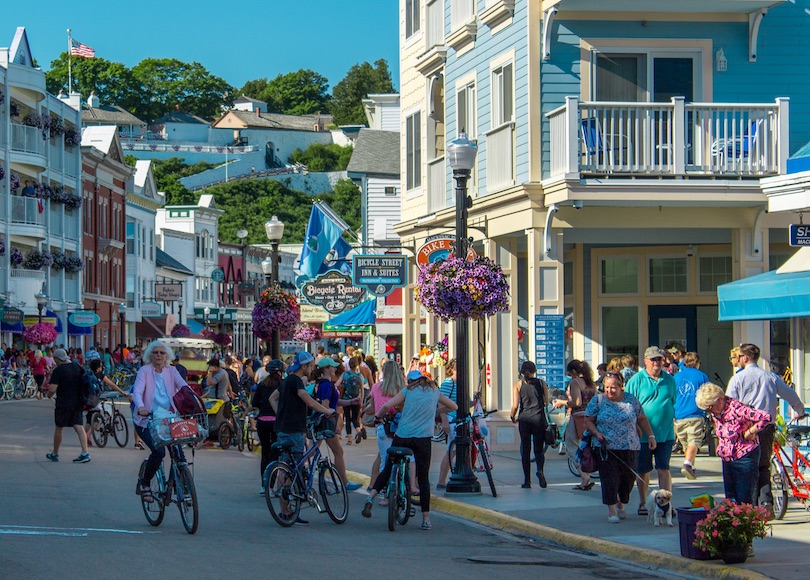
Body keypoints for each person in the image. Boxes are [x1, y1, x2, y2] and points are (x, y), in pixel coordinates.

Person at [362, 370, 458, 530]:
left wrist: (378, 416)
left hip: (403, 436)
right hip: (423, 439)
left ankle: (371, 497)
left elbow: (387, 405)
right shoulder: (434, 391)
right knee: (423, 478)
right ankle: (426, 518)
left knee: (388, 468)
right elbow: (453, 406)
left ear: (412, 381)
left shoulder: (408, 391)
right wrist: (434, 412)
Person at [726, 343, 806, 518]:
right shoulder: (770, 376)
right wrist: (800, 411)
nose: (737, 360)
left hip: (745, 429)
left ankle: (751, 507)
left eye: (739, 356)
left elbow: (730, 405)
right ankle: (766, 502)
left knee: (747, 467)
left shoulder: (737, 379)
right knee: (763, 465)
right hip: (766, 427)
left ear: (745, 358)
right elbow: (790, 394)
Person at [269, 351, 335, 526]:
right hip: (293, 430)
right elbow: (308, 400)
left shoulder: (286, 381)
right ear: (304, 366)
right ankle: (288, 509)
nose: (312, 368)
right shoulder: (296, 381)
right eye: (311, 365)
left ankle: (286, 510)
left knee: (287, 466)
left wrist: (281, 416)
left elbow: (272, 398)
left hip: (284, 428)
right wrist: (326, 411)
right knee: (293, 468)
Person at [584, 372, 656, 523]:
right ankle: (611, 511)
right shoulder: (597, 400)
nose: (609, 391)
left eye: (613, 388)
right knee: (609, 479)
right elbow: (588, 420)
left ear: (621, 387)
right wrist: (596, 433)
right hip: (606, 447)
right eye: (607, 387)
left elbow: (641, 418)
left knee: (628, 479)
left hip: (630, 446)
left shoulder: (631, 400)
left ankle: (621, 503)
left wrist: (650, 436)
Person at [131, 341, 189, 502]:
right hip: (147, 419)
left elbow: (184, 387)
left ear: (167, 356)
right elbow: (137, 391)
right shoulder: (144, 371)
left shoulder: (172, 371)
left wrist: (194, 401)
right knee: (159, 452)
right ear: (150, 355)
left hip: (169, 419)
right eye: (155, 352)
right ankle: (145, 483)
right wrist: (141, 406)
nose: (158, 355)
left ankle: (180, 487)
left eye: (162, 353)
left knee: (178, 454)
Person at [696, 383, 771, 505]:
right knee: (731, 499)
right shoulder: (716, 413)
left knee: (744, 498)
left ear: (719, 400)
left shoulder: (737, 409)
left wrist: (751, 431)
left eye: (710, 407)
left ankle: (747, 522)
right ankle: (734, 522)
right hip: (727, 457)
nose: (709, 411)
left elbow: (766, 417)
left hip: (744, 455)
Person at [625, 346, 677, 516]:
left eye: (659, 359)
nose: (656, 362)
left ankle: (665, 504)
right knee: (643, 470)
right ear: (645, 360)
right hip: (642, 435)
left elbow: (673, 402)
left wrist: (675, 427)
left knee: (664, 468)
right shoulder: (636, 380)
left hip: (666, 433)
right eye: (653, 359)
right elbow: (629, 407)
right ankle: (643, 502)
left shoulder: (669, 380)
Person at [311, 357, 363, 490]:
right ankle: (344, 483)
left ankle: (296, 473)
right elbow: (326, 405)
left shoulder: (323, 384)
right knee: (338, 451)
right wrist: (332, 415)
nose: (335, 369)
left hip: (321, 422)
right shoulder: (327, 385)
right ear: (326, 369)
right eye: (333, 367)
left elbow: (335, 402)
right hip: (325, 424)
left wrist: (351, 402)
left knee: (312, 452)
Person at [553, 359, 597, 490]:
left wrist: (562, 402)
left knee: (572, 447)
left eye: (569, 373)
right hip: (590, 418)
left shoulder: (575, 382)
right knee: (586, 447)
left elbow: (576, 402)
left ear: (573, 371)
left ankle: (584, 475)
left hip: (577, 418)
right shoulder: (591, 384)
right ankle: (587, 475)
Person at [366, 359, 406, 493]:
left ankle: (378, 487)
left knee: (384, 459)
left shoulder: (376, 387)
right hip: (399, 426)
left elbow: (372, 408)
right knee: (403, 458)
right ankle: (399, 488)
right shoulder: (402, 389)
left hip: (383, 425)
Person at [45, 348, 91, 463]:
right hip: (78, 401)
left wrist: (49, 394)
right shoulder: (78, 367)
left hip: (63, 402)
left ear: (56, 359)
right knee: (79, 426)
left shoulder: (59, 370)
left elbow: (52, 389)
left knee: (59, 427)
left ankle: (55, 453)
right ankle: (85, 452)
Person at [510, 361, 549, 489]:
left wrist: (512, 416)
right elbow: (546, 402)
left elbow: (515, 405)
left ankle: (527, 481)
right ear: (534, 371)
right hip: (538, 419)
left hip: (525, 419)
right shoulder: (542, 383)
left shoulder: (518, 385)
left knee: (525, 450)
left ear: (521, 372)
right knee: (538, 449)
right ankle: (540, 470)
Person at [674, 352, 710, 480]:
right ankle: (688, 464)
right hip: (695, 413)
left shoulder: (676, 377)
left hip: (679, 415)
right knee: (694, 441)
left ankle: (690, 467)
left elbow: (672, 396)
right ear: (697, 363)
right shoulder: (702, 376)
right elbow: (708, 394)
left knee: (686, 444)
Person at [253, 359, 283, 495]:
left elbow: (255, 402)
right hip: (276, 422)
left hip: (262, 421)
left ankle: (263, 485)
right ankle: (272, 485)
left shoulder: (261, 384)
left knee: (265, 453)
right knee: (275, 454)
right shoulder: (282, 385)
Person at [84, 359, 129, 445]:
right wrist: (121, 391)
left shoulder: (88, 375)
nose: (102, 368)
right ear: (98, 368)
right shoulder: (101, 375)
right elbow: (111, 384)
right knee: (96, 421)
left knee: (89, 420)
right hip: (95, 399)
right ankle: (87, 435)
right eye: (101, 366)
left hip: (87, 399)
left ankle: (83, 436)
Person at [437, 359, 459, 489]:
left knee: (455, 450)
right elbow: (441, 402)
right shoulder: (448, 382)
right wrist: (444, 421)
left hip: (458, 419)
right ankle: (441, 480)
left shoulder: (459, 383)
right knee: (451, 450)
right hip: (451, 419)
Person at [342, 357, 365, 444]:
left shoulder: (345, 375)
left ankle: (349, 439)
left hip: (346, 399)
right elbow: (362, 390)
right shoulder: (360, 376)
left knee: (347, 418)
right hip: (357, 399)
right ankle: (358, 430)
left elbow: (339, 384)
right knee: (355, 418)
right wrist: (361, 400)